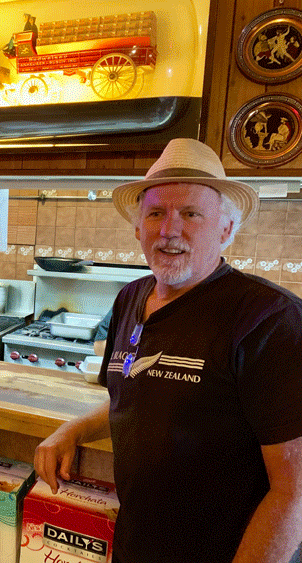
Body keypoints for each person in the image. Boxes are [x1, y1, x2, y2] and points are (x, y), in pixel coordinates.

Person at [34, 138, 302, 563]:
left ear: (225, 230)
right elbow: (137, 397)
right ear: (137, 227)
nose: (169, 230)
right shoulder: (130, 297)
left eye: (191, 214)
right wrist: (73, 430)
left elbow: (294, 491)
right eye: (156, 213)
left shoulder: (269, 318)